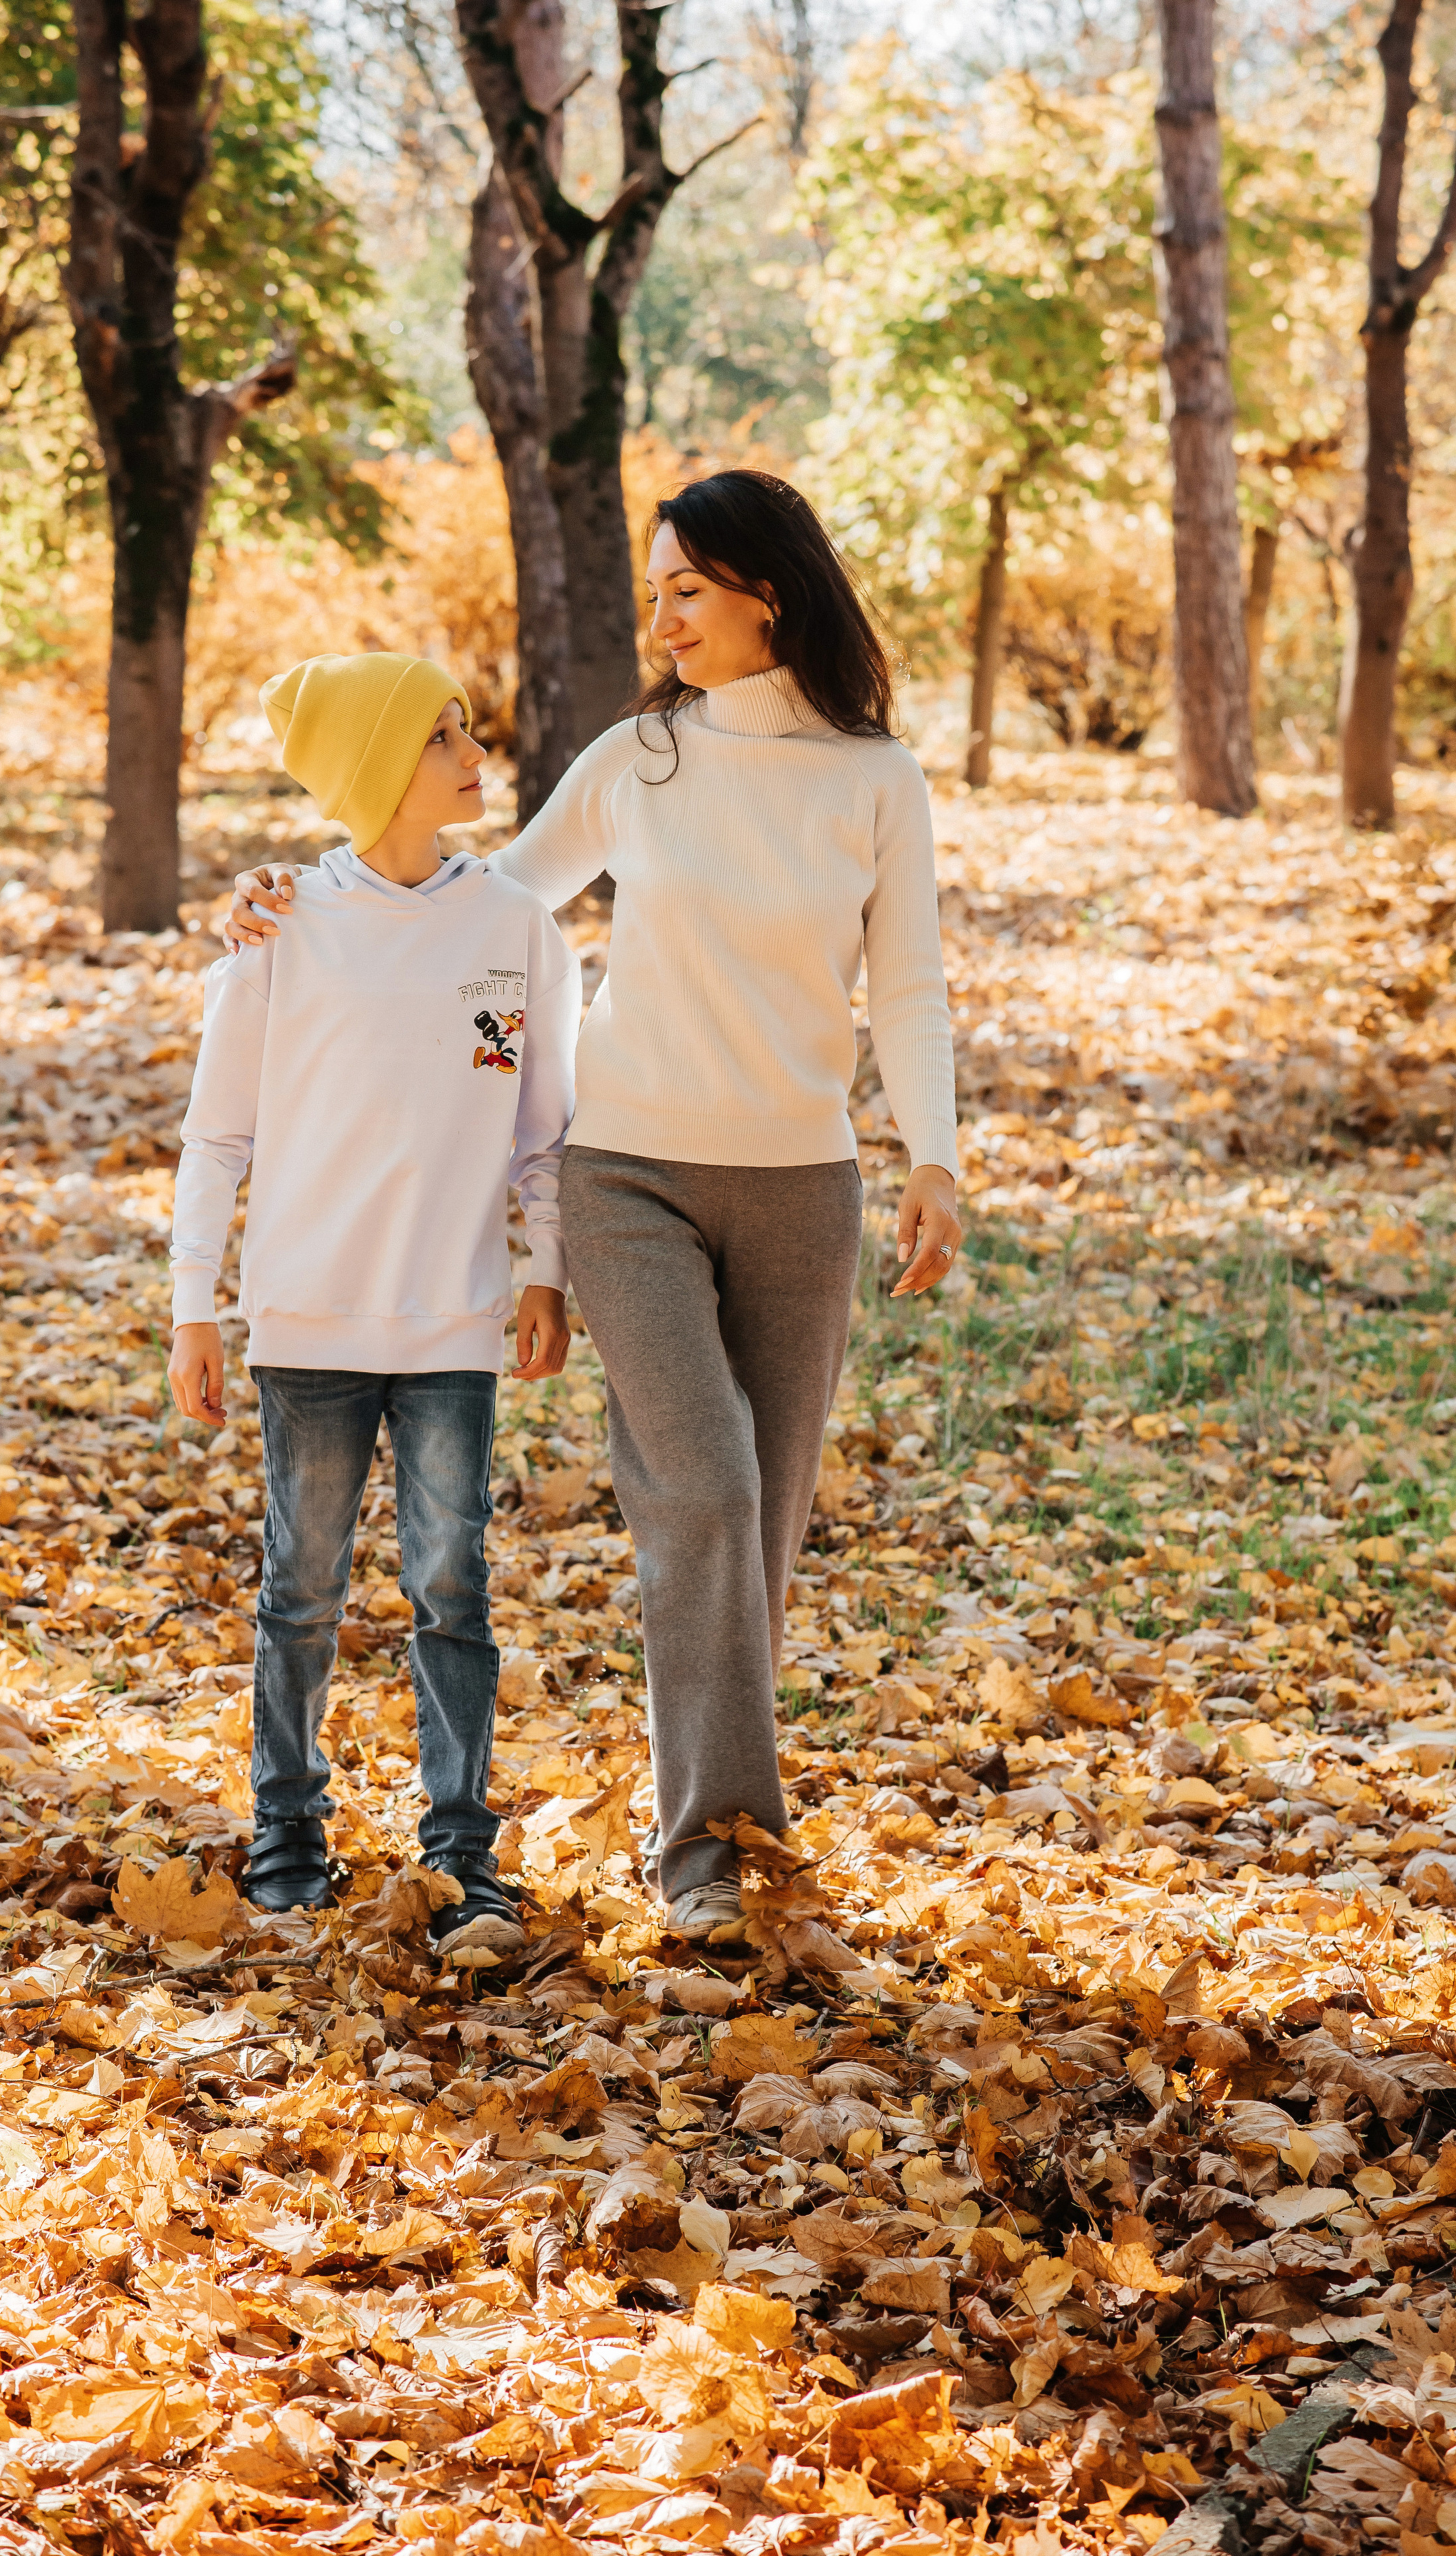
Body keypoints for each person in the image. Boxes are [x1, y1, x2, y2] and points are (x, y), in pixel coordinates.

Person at [223, 471, 961, 1946]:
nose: (663, 620)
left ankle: (712, 1817)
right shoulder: (639, 759)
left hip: (803, 1186)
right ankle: (711, 1856)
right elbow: (482, 900)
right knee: (706, 1489)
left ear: (767, 591)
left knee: (761, 1529)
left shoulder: (877, 780)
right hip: (627, 1176)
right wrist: (300, 899)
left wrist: (933, 1157)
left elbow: (913, 985)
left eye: (687, 589)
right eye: (654, 593)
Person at [169, 651, 579, 1954]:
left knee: (453, 1586)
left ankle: (460, 1848)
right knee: (300, 1587)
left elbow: (537, 1125)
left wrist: (547, 1264)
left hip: (455, 1318)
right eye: (444, 735)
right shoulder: (282, 928)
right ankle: (287, 1830)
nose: (476, 752)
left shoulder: (510, 928)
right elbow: (217, 1138)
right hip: (309, 1320)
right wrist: (193, 1305)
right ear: (378, 764)